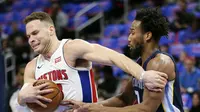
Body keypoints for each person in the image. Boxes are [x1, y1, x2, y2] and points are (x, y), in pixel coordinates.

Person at [17, 12, 168, 112]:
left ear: (51, 30)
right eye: (28, 36)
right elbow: (23, 99)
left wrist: (142, 75)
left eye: (35, 33)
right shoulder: (32, 66)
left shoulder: (71, 48)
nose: (31, 39)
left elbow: (114, 57)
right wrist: (22, 97)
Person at [68, 8, 184, 112]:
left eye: (133, 33)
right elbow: (124, 99)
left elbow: (147, 109)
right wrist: (88, 106)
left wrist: (98, 109)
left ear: (147, 36)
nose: (128, 38)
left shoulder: (160, 62)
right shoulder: (140, 64)